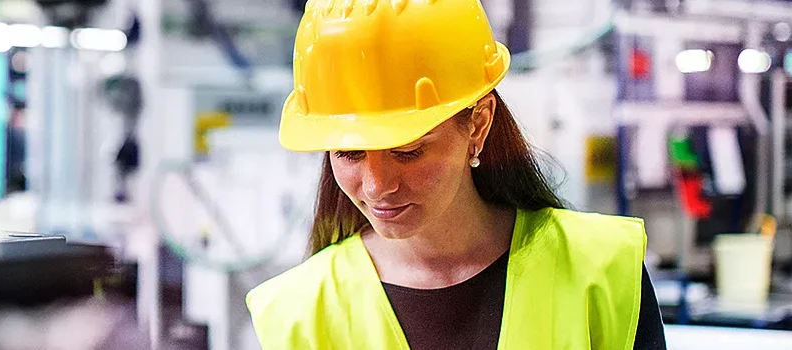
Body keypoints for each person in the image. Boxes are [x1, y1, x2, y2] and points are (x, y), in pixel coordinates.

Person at [245, 0, 666, 349]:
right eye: (349, 153)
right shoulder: (297, 314)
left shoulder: (602, 270)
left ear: (478, 125)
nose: (377, 187)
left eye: (407, 151)